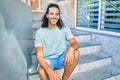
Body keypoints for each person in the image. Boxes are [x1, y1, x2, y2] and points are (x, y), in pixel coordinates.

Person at [35, 3, 80, 80]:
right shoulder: (40, 32)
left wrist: (71, 49)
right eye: (51, 13)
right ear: (47, 15)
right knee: (41, 71)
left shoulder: (64, 28)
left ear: (59, 16)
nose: (54, 16)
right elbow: (39, 55)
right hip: (48, 59)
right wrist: (49, 70)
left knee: (76, 53)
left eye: (56, 14)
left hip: (61, 58)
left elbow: (75, 43)